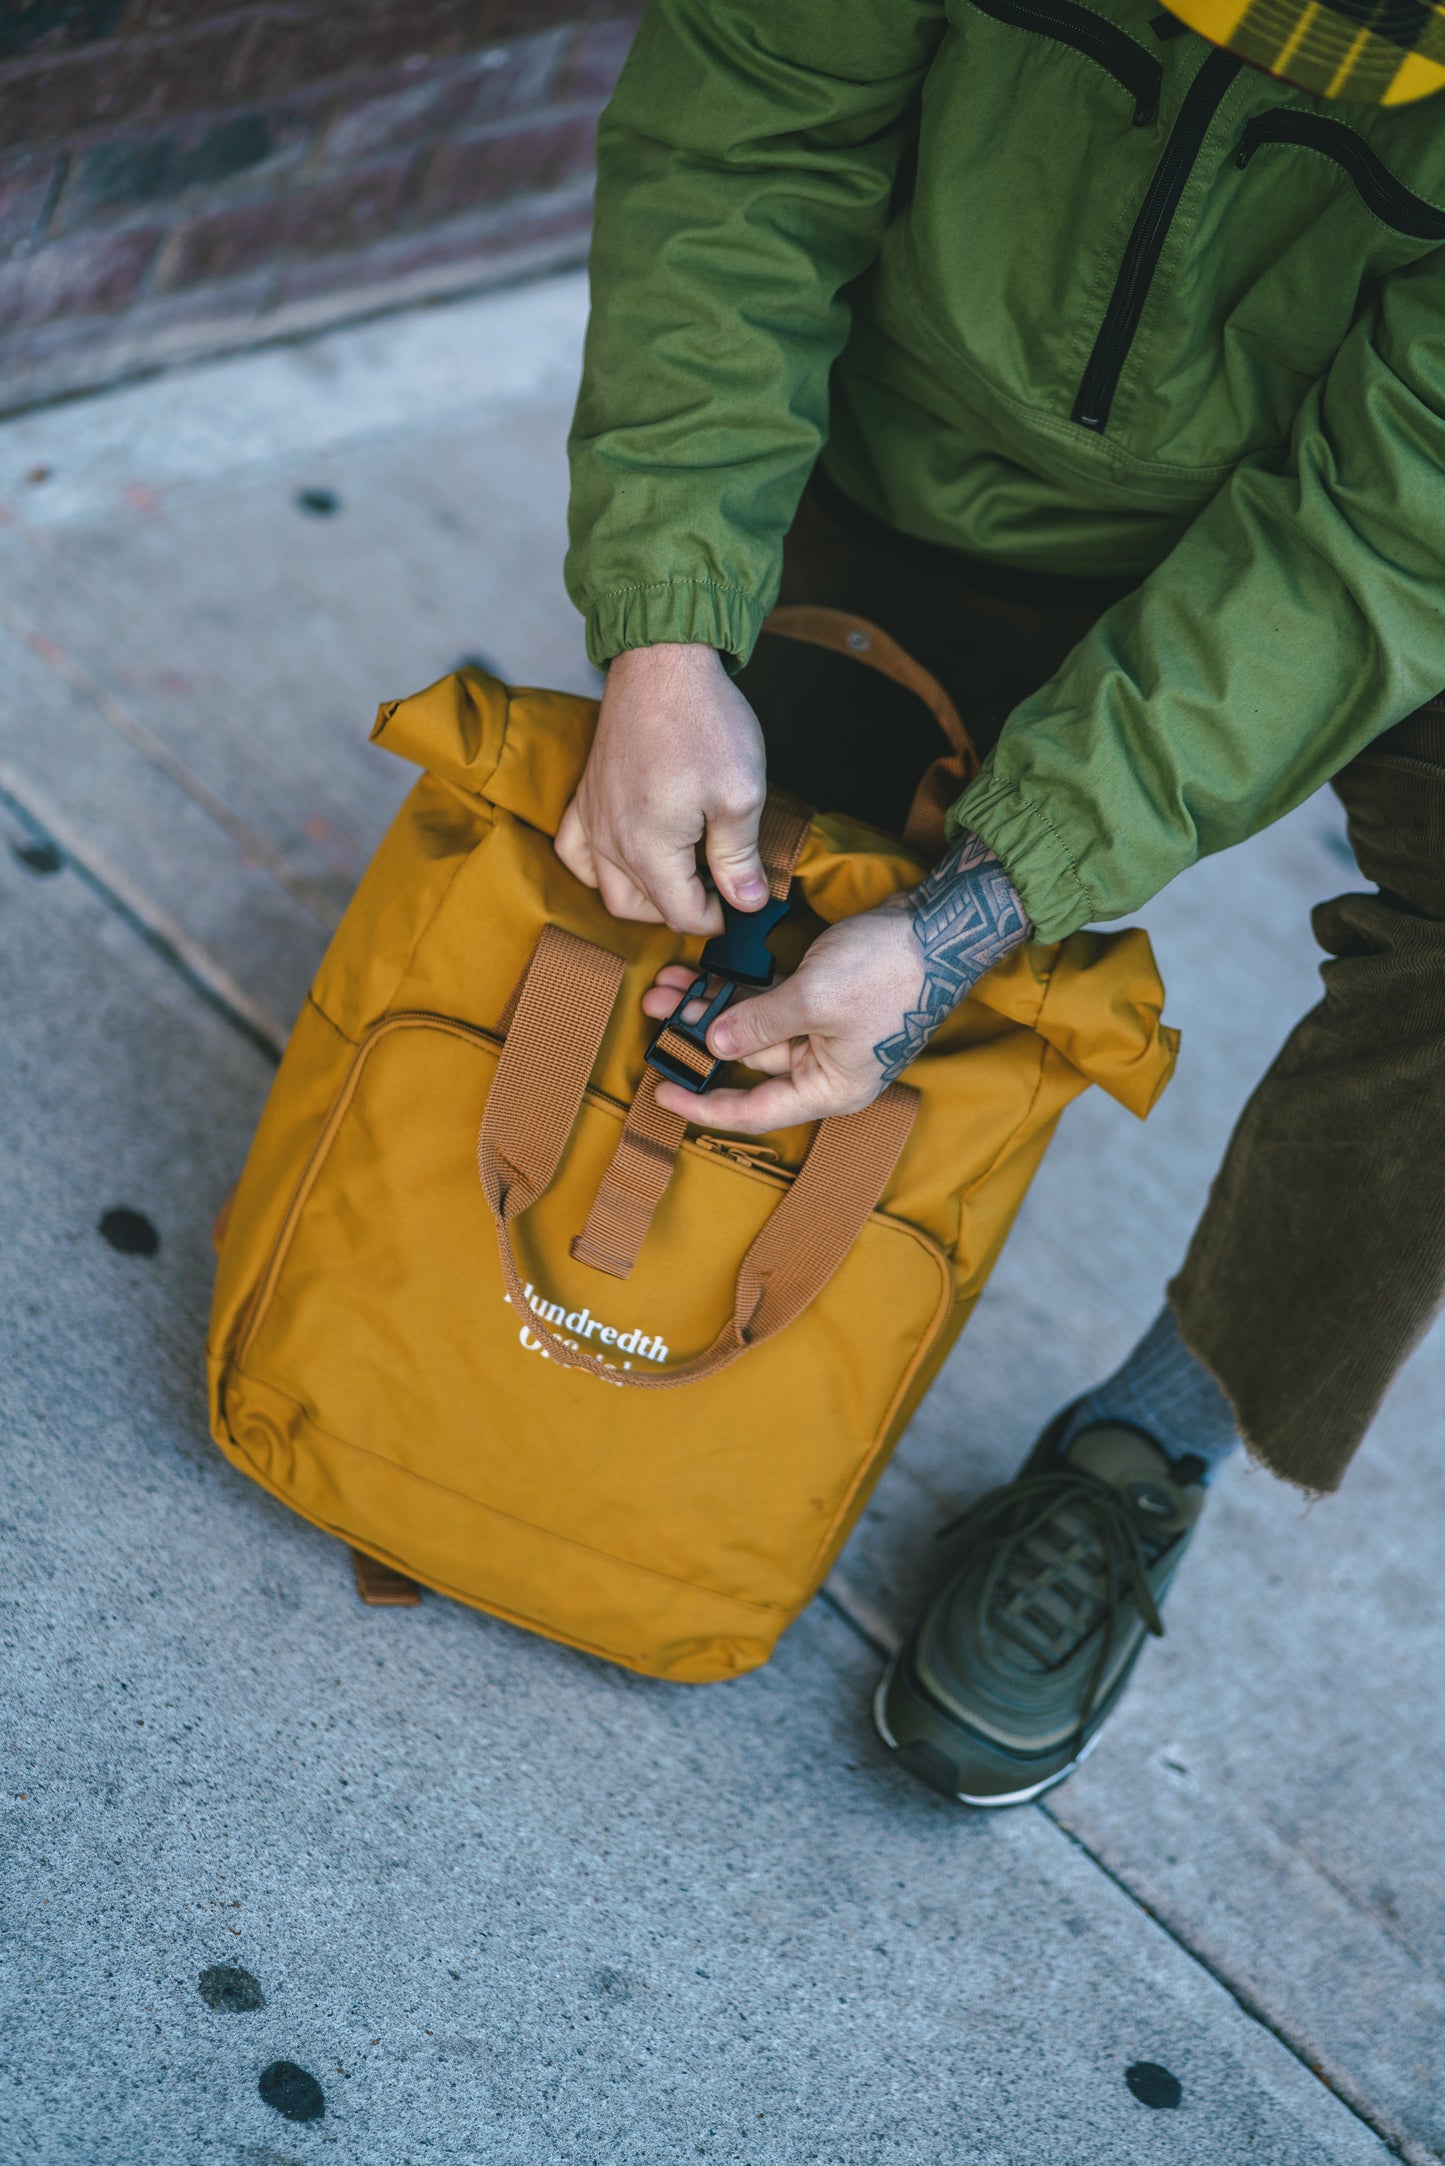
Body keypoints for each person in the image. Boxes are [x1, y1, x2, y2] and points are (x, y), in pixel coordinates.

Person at [556, 0, 1445, 1805]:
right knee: (725, 921)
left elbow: (1372, 541)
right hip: (907, 447)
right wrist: (667, 617)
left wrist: (995, 897)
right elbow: (747, 137)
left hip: (1303, 536)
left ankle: (1143, 1452)